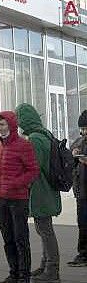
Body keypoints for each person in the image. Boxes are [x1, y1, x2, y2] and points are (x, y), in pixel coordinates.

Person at [0, 111, 39, 283]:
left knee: (20, 238)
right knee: (7, 238)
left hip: (18, 199)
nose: (0, 128)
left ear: (11, 125)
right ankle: (14, 273)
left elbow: (33, 171)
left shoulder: (24, 145)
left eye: (3, 124)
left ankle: (24, 276)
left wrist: (16, 183)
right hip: (1, 198)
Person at [16, 103, 62, 283]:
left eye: (19, 119)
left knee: (45, 230)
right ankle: (46, 265)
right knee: (44, 229)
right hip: (47, 189)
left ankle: (52, 270)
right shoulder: (44, 134)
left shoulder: (35, 139)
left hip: (40, 191)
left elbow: (33, 166)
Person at [69, 110, 87, 267]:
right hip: (81, 191)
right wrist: (73, 155)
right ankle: (83, 253)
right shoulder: (79, 141)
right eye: (82, 128)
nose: (84, 131)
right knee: (82, 222)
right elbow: (69, 160)